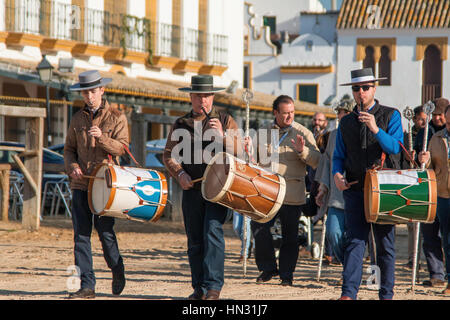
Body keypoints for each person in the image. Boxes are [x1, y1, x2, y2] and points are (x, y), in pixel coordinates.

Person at [163, 75, 242, 300]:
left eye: (206, 96)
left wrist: (223, 136)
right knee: (195, 239)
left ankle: (214, 287)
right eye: (198, 96)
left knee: (212, 232)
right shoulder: (180, 124)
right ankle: (198, 287)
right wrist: (179, 173)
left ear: (213, 97)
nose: (202, 101)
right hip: (192, 190)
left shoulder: (226, 120)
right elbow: (169, 155)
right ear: (191, 97)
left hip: (219, 190)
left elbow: (241, 151)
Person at [333, 68, 403, 300]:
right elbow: (338, 156)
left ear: (374, 88)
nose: (360, 92)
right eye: (356, 88)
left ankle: (386, 295)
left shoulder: (392, 115)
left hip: (385, 189)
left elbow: (395, 148)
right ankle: (348, 294)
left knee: (384, 245)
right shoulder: (345, 123)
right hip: (354, 188)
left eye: (365, 88)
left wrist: (375, 128)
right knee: (355, 242)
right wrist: (336, 175)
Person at [64, 70, 128, 299]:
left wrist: (101, 137)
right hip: (81, 184)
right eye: (85, 92)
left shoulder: (117, 116)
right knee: (81, 235)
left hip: (106, 184)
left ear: (102, 90)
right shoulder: (76, 118)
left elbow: (122, 148)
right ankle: (87, 286)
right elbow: (69, 149)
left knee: (105, 232)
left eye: (93, 91)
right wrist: (72, 167)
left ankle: (117, 268)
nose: (89, 96)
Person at [245, 95, 321, 286]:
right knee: (259, 229)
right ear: (275, 113)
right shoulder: (262, 132)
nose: (289, 117)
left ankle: (287, 274)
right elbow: (254, 163)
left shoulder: (303, 132)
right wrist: (249, 155)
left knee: (290, 236)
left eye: (292, 113)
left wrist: (302, 151)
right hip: (266, 192)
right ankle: (268, 268)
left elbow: (317, 161)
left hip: (292, 192)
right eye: (285, 113)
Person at [414, 97, 449, 287]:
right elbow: (419, 163)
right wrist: (418, 158)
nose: (436, 118)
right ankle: (436, 273)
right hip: (428, 189)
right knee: (429, 234)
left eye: (440, 115)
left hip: (446, 191)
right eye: (433, 114)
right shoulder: (424, 133)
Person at [315, 98, 353, 265]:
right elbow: (327, 162)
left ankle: (350, 270)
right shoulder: (333, 136)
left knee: (354, 236)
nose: (340, 115)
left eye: (344, 112)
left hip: (356, 192)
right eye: (339, 112)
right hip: (336, 195)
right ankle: (348, 264)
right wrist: (323, 188)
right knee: (332, 232)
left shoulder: (362, 133)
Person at [403, 105, 427, 268]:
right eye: (420, 119)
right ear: (414, 119)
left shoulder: (430, 134)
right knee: (411, 224)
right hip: (410, 181)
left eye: (426, 119)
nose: (423, 122)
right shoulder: (407, 137)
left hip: (426, 182)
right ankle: (413, 258)